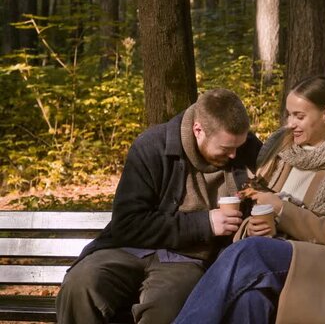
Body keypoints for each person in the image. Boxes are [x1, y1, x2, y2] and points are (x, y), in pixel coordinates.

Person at [174, 75, 325, 324]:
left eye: (299, 116)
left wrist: (280, 209)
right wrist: (254, 226)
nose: (291, 124)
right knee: (251, 301)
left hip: (318, 259)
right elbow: (255, 206)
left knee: (250, 250)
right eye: (289, 115)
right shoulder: (279, 152)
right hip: (269, 254)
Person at [55, 88, 262, 324]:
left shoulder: (248, 151)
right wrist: (204, 223)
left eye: (238, 146)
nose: (234, 155)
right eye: (226, 149)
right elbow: (127, 224)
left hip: (188, 259)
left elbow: (264, 205)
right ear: (198, 130)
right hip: (128, 249)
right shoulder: (151, 146)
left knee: (167, 305)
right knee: (81, 284)